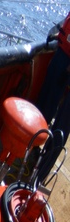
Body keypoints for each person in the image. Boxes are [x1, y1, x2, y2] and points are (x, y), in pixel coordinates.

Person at [37, 10, 70, 138]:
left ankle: (40, 134)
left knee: (52, 99)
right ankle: (35, 127)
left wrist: (68, 70)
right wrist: (56, 36)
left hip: (66, 63)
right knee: (45, 92)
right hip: (60, 54)